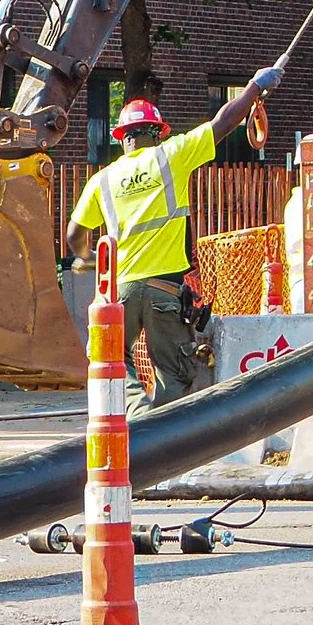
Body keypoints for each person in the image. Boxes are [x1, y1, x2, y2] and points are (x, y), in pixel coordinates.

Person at [66, 64, 283, 411]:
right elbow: (223, 123)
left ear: (123, 138)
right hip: (164, 293)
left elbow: (73, 235)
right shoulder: (171, 156)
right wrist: (253, 87)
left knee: (114, 363)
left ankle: (136, 416)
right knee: (174, 374)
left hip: (120, 293)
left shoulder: (102, 180)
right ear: (158, 133)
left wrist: (91, 259)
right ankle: (161, 436)